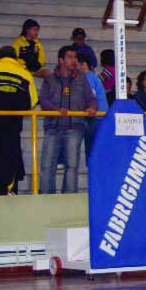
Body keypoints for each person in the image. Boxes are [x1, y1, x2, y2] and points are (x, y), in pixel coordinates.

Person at [39, 46, 97, 194]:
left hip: (75, 127)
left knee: (72, 165)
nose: (74, 60)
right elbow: (43, 100)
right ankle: (46, 199)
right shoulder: (50, 79)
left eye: (75, 57)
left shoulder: (81, 78)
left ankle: (69, 198)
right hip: (53, 127)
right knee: (47, 165)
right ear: (61, 60)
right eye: (70, 57)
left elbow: (91, 98)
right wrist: (56, 110)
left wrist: (92, 107)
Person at [0, 46, 38, 195]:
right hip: (12, 125)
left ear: (1, 56)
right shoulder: (24, 74)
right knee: (8, 157)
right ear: (15, 57)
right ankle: (5, 190)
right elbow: (32, 101)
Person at [77, 53, 108, 163]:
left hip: (95, 117)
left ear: (83, 65)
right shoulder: (92, 77)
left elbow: (90, 98)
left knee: (92, 150)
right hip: (98, 116)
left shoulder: (87, 78)